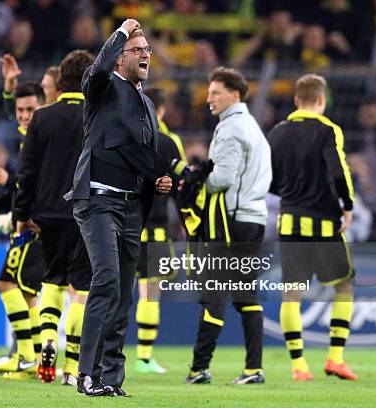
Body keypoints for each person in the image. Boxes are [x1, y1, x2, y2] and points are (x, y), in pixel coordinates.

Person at [65, 19, 172, 397]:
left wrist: (157, 179)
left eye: (147, 50)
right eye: (137, 50)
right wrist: (122, 32)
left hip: (130, 207)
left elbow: (141, 154)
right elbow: (93, 73)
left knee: (125, 291)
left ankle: (110, 376)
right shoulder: (104, 87)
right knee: (107, 279)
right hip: (97, 199)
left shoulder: (145, 102)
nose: (145, 55)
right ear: (119, 57)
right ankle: (85, 373)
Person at [185, 67, 271, 386]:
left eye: (215, 92)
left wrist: (197, 175)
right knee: (247, 295)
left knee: (214, 293)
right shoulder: (252, 126)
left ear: (234, 95)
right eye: (208, 92)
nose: (208, 98)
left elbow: (223, 178)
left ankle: (199, 367)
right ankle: (254, 369)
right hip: (254, 217)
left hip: (231, 221)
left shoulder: (232, 129)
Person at [268, 74, 357, 382]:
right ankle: (335, 358)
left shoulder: (277, 133)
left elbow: (270, 179)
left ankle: (299, 366)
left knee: (291, 293)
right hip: (323, 222)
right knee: (344, 284)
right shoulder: (328, 130)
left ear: (296, 100)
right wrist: (348, 205)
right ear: (321, 100)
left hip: (289, 220)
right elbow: (339, 172)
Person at [14, 50, 95, 386]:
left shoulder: (42, 118)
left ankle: (47, 338)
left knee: (52, 278)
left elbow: (27, 170)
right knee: (81, 288)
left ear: (60, 81)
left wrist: (21, 214)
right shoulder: (95, 115)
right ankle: (71, 367)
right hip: (85, 211)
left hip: (47, 212)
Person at [0, 80, 46, 379]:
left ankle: (28, 356)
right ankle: (29, 358)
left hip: (36, 225)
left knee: (7, 284)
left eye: (29, 109)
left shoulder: (44, 136)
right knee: (28, 293)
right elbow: (24, 182)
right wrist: (0, 203)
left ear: (42, 106)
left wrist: (8, 182)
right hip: (30, 222)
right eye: (19, 110)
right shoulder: (29, 136)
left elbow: (34, 183)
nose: (22, 115)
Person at [134, 86, 186, 374]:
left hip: (125, 227)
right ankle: (143, 357)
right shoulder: (169, 142)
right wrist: (189, 223)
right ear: (162, 110)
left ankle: (100, 354)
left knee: (112, 291)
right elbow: (181, 188)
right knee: (150, 293)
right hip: (155, 229)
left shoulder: (128, 137)